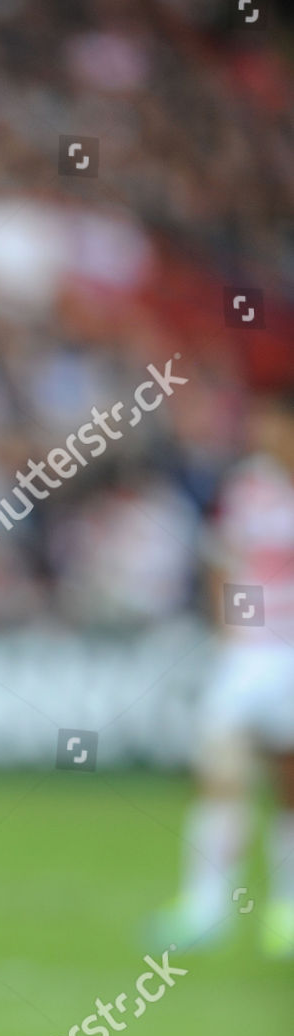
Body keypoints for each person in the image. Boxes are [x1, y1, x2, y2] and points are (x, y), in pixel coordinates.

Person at [156, 386, 294, 958]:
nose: (265, 435)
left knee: (288, 784)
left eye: (275, 425)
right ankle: (205, 907)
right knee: (219, 771)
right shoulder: (248, 486)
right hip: (248, 652)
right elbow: (219, 556)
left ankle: (285, 912)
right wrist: (226, 629)